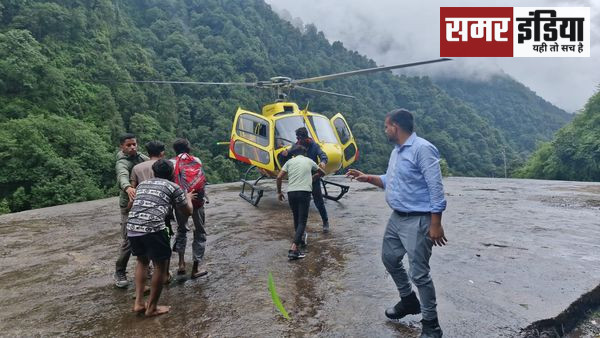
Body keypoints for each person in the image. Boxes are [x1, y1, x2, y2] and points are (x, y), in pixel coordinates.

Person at [346, 109, 447, 338]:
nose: (385, 131)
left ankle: (431, 324)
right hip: (397, 218)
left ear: (396, 126)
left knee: (419, 274)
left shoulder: (422, 149)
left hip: (418, 219)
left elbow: (435, 188)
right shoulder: (397, 152)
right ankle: (409, 300)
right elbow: (392, 180)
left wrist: (436, 223)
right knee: (389, 258)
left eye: (386, 126)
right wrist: (369, 178)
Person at [127, 159, 194, 316]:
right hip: (153, 229)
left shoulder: (142, 184)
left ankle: (138, 303)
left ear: (154, 173)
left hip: (132, 227)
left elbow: (131, 205)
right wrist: (188, 197)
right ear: (172, 173)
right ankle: (152, 308)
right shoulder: (173, 187)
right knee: (160, 266)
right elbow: (187, 211)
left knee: (142, 262)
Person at [277, 144, 326, 260]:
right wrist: (314, 177)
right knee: (302, 221)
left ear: (293, 154)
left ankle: (299, 242)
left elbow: (279, 177)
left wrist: (279, 192)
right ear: (305, 153)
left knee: (296, 218)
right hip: (304, 192)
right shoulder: (309, 161)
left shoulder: (289, 162)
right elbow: (322, 172)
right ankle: (293, 249)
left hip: (291, 193)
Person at [170, 138, 209, 279]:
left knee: (181, 230)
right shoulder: (196, 160)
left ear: (175, 150)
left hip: (180, 201)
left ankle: (181, 264)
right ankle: (195, 268)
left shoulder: (170, 162)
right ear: (189, 149)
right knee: (199, 232)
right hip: (197, 200)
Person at [114, 133, 148, 288]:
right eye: (128, 145)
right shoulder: (122, 162)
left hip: (143, 201)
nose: (132, 147)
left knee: (147, 234)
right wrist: (128, 187)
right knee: (129, 240)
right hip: (128, 205)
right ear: (122, 146)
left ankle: (147, 268)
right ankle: (119, 271)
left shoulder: (141, 157)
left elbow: (153, 164)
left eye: (134, 144)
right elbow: (122, 176)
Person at [281, 127, 330, 233]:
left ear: (305, 137)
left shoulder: (314, 145)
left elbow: (323, 156)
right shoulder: (297, 145)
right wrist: (284, 153)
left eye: (299, 138)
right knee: (300, 205)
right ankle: (300, 228)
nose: (298, 140)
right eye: (297, 138)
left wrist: (323, 162)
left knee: (319, 201)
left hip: (313, 178)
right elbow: (287, 154)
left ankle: (325, 222)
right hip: (301, 179)